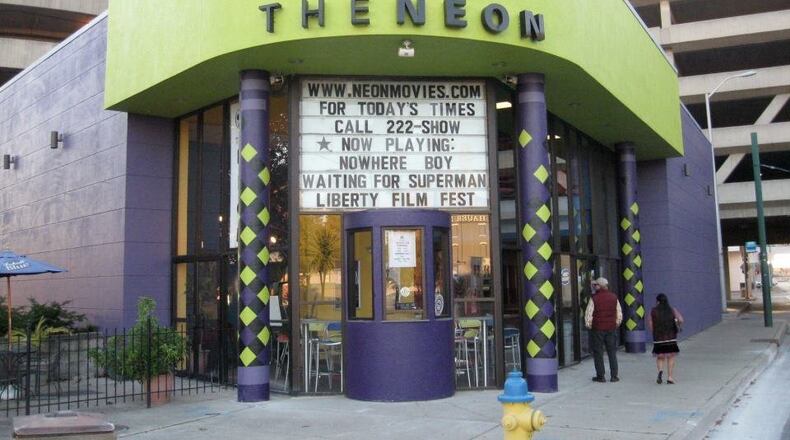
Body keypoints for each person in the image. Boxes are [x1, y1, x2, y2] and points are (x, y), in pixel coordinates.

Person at [585, 277, 623, 383]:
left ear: (600, 286)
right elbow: (619, 314)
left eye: (596, 285)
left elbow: (589, 314)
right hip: (611, 328)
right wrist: (615, 324)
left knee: (598, 353)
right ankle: (614, 376)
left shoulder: (594, 298)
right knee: (612, 352)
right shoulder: (614, 297)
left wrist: (589, 325)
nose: (595, 286)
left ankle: (600, 376)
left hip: (597, 329)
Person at [647, 293, 684, 384]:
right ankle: (670, 377)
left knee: (660, 357)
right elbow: (681, 320)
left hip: (658, 338)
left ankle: (660, 371)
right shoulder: (672, 310)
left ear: (658, 302)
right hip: (671, 338)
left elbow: (651, 325)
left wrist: (654, 332)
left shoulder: (653, 311)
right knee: (670, 357)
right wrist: (677, 323)